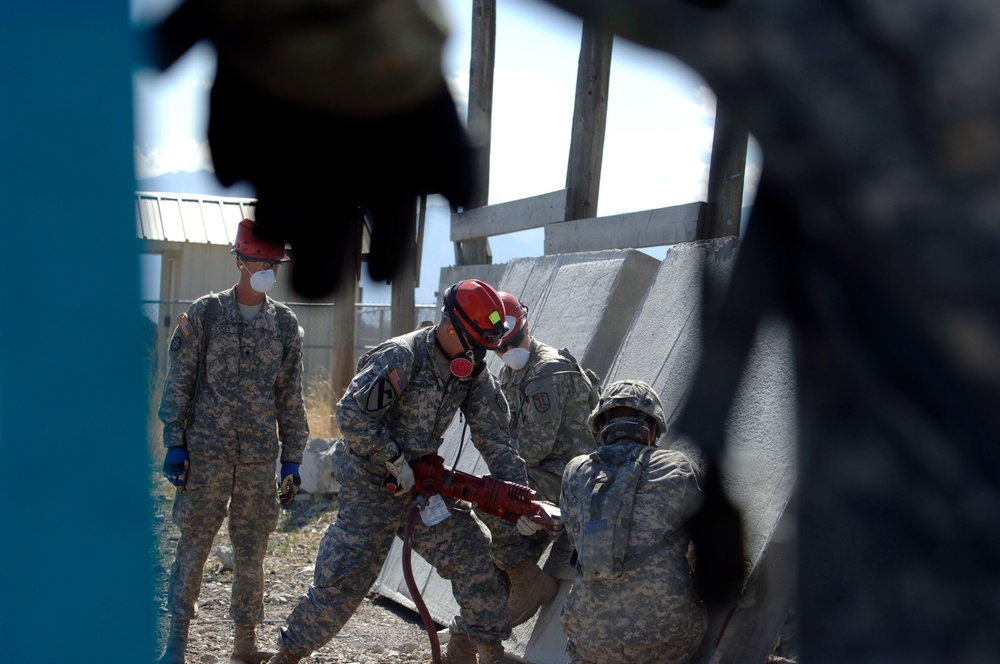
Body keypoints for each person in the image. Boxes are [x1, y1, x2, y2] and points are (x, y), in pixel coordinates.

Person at [267, 279, 528, 664]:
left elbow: (495, 439)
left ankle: (482, 651)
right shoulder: (401, 358)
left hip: (421, 486)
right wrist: (393, 459)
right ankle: (288, 655)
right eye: (475, 343)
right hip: (370, 484)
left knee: (474, 556)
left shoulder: (469, 370)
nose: (480, 356)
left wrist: (518, 498)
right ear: (452, 327)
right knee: (344, 580)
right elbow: (351, 415)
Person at [157, 217, 310, 664]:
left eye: (275, 263)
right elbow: (179, 382)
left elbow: (289, 397)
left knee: (252, 552)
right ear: (241, 261)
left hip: (259, 459)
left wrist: (293, 460)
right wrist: (174, 442)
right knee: (193, 547)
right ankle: (176, 644)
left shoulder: (284, 324)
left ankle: (244, 645)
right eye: (262, 261)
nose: (270, 270)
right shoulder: (204, 314)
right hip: (206, 455)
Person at [559, 380, 707, 664]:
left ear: (602, 426)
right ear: (651, 429)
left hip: (593, 638)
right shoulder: (678, 468)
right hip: (665, 640)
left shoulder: (575, 471)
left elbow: (578, 540)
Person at [488, 291, 601, 626]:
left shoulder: (546, 371)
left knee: (490, 498)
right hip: (542, 474)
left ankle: (528, 581)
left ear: (526, 327)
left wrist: (505, 493)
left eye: (513, 341)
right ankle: (509, 599)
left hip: (569, 477)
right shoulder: (514, 373)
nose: (508, 352)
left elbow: (532, 448)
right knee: (487, 548)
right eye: (499, 347)